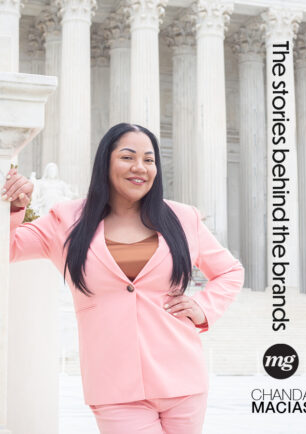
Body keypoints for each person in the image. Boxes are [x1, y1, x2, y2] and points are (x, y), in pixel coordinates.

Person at [2, 123, 245, 434]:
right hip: (114, 387)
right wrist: (15, 209)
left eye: (149, 159)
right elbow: (8, 248)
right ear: (106, 161)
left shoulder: (184, 218)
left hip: (183, 380)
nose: (139, 168)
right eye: (128, 157)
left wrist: (203, 308)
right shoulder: (66, 221)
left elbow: (229, 271)